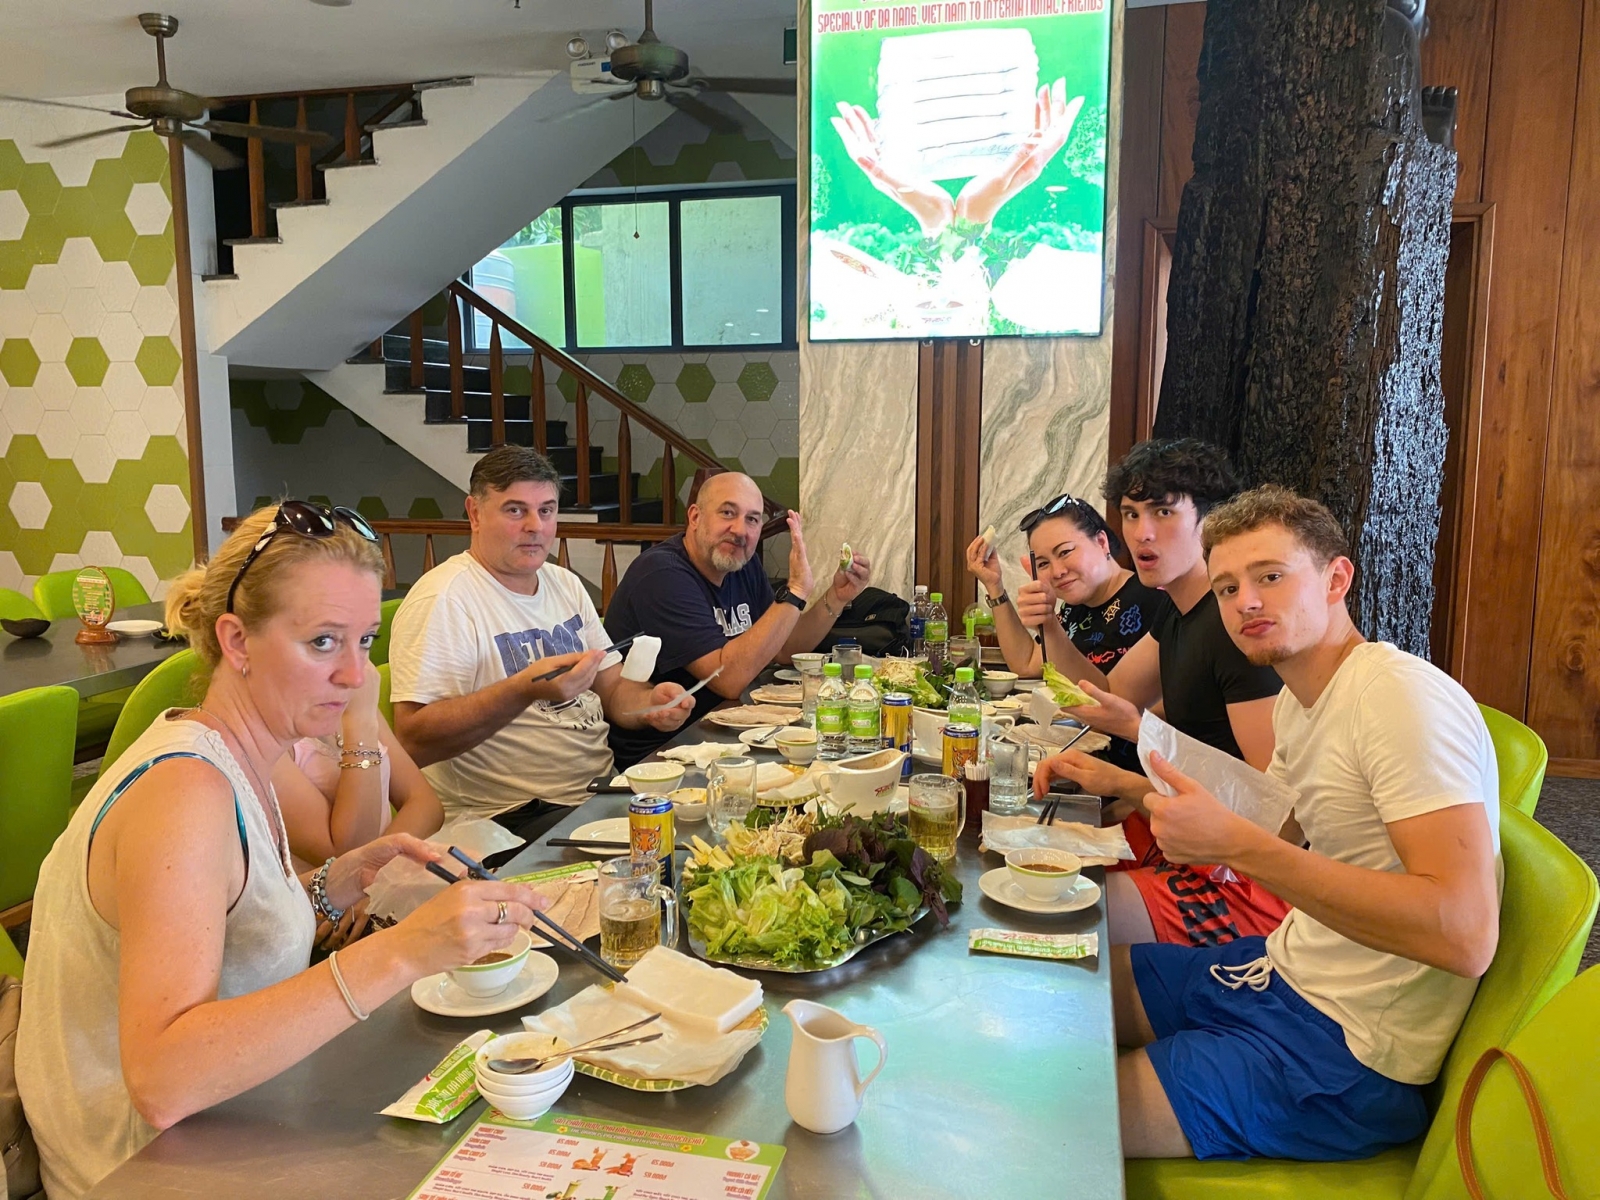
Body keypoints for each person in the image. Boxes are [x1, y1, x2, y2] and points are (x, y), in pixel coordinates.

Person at [16, 502, 547, 1200]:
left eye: (365, 640)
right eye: (323, 642)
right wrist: (402, 951)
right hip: (134, 1171)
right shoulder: (184, 792)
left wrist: (328, 886)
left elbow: (218, 927)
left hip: (234, 1120)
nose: (356, 675)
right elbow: (163, 1080)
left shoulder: (243, 755)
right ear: (236, 640)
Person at [1117, 485, 1500, 1163]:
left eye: (1270, 576)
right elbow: (1276, 828)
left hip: (1346, 1053)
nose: (1246, 602)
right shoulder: (1301, 700)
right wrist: (1125, 785)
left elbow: (1465, 935)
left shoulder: (1396, 696)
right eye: (1227, 588)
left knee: (1067, 1107)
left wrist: (1238, 847)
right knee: (1074, 982)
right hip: (1280, 972)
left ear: (1336, 579)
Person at [1031, 439, 1288, 947]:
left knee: (1057, 911)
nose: (1141, 533)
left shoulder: (1235, 626)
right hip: (1185, 835)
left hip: (1244, 880)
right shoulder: (1175, 606)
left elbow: (1272, 809)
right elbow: (1107, 693)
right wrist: (1050, 627)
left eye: (1163, 511)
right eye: (1131, 514)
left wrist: (1128, 780)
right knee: (1030, 863)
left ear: (1209, 521)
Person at [388, 447, 695, 843]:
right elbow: (413, 741)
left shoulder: (564, 583)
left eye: (546, 510)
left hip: (601, 791)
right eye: (515, 510)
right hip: (508, 816)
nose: (535, 526)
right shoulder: (444, 599)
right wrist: (523, 690)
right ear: (475, 513)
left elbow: (615, 690)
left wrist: (652, 704)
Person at [603, 471, 872, 767]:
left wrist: (836, 597)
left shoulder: (743, 565)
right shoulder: (662, 575)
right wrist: (795, 591)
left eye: (752, 519)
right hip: (663, 754)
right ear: (695, 517)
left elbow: (784, 647)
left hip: (723, 733)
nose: (740, 530)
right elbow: (727, 680)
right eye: (728, 513)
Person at [965, 492, 1164, 770]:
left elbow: (1105, 704)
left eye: (1065, 552)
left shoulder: (1152, 601)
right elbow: (1027, 662)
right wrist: (995, 587)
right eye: (1043, 563)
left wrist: (1048, 622)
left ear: (1102, 542)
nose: (1057, 571)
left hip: (1136, 769)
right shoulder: (1076, 606)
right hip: (1086, 760)